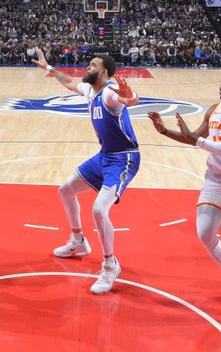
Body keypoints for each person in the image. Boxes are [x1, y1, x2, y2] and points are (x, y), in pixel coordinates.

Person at [148, 70, 221, 329]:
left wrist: (196, 139)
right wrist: (164, 131)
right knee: (204, 233)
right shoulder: (214, 109)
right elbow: (194, 138)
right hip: (214, 178)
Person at [33, 47, 140, 295]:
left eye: (92, 65)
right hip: (104, 156)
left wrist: (130, 95)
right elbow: (69, 82)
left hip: (124, 158)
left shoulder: (110, 93)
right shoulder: (90, 90)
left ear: (104, 73)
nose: (87, 68)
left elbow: (130, 99)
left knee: (99, 210)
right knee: (66, 190)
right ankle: (78, 241)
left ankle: (110, 264)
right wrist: (48, 68)